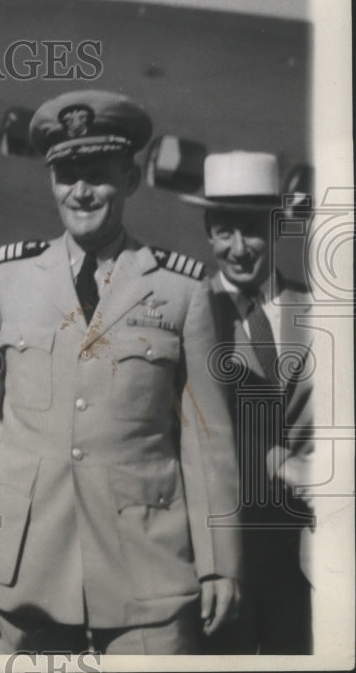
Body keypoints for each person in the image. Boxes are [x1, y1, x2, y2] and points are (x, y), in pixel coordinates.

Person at [0, 90, 242, 654]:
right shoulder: (8, 277)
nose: (81, 191)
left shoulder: (180, 289)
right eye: (66, 175)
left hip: (147, 570)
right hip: (27, 565)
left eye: (97, 174)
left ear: (129, 178)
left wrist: (220, 562)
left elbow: (206, 439)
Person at [182, 150, 314, 654]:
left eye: (253, 229)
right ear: (209, 230)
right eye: (225, 231)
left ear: (276, 228)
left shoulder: (324, 314)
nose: (239, 248)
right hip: (220, 556)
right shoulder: (190, 317)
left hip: (304, 555)